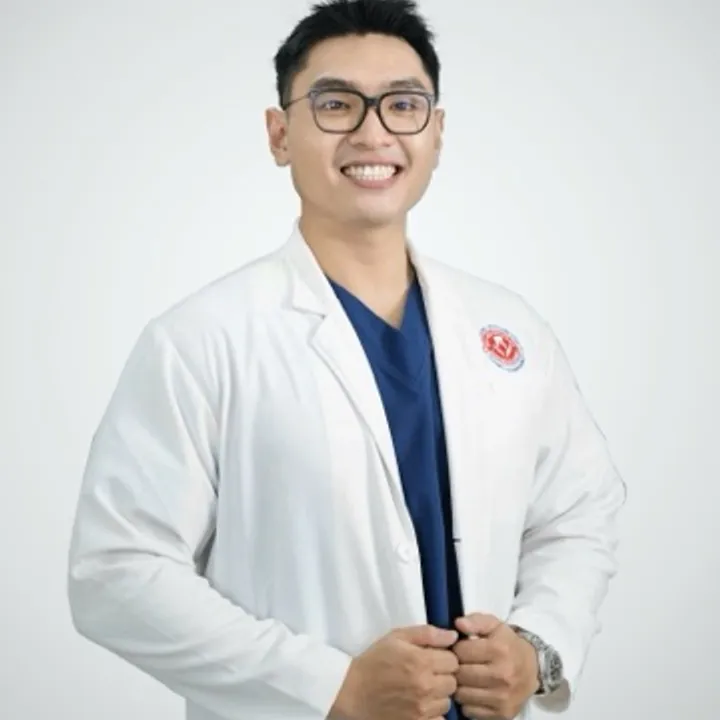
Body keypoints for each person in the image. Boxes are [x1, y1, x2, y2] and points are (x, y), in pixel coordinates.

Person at [66, 1, 626, 719]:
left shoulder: (508, 328)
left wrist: (537, 645)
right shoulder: (200, 340)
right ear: (279, 134)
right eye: (336, 104)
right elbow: (116, 571)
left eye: (403, 105)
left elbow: (578, 511)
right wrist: (330, 686)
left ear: (437, 132)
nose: (373, 132)